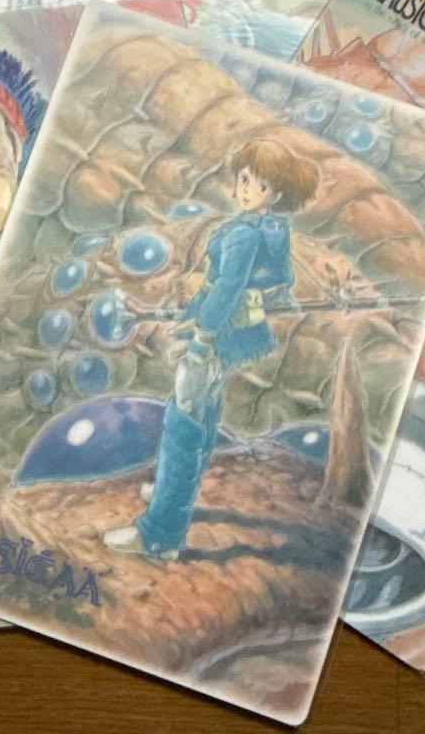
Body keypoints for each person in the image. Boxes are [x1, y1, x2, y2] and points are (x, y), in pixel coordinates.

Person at [103, 137, 319, 559]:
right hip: (235, 331)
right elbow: (278, 281)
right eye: (244, 178)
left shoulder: (243, 233)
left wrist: (202, 333)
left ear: (274, 193)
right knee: (204, 410)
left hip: (217, 332)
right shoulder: (272, 229)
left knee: (184, 420)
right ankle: (176, 492)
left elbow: (228, 285)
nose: (246, 189)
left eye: (259, 184)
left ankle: (161, 533)